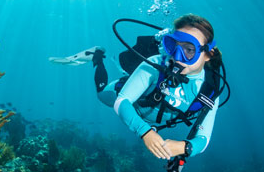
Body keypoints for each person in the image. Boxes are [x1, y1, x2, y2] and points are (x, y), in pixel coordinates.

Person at [92, 14, 223, 163]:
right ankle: (97, 57)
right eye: (173, 46)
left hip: (146, 113)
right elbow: (121, 101)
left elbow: (203, 139)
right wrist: (145, 132)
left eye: (189, 49)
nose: (177, 57)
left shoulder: (209, 92)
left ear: (208, 55)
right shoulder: (154, 64)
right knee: (101, 94)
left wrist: (185, 147)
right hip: (124, 94)